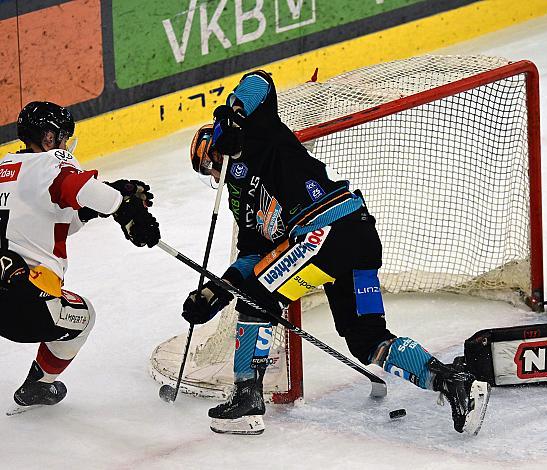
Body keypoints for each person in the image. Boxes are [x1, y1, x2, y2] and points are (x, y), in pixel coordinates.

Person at [182, 70, 485, 435]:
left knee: (258, 298)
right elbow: (253, 255)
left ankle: (247, 397)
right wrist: (216, 291)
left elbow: (259, 82)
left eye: (211, 167)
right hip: (350, 239)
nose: (215, 177)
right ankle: (452, 382)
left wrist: (229, 118)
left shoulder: (262, 134)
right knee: (367, 340)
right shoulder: (240, 201)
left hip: (327, 230)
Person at [0, 101, 160, 413]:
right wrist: (123, 206)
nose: (64, 144)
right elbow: (74, 184)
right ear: (49, 138)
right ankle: (38, 385)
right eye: (61, 137)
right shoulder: (49, 163)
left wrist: (104, 199)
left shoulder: (6, 170)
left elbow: (50, 218)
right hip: (26, 308)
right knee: (84, 316)